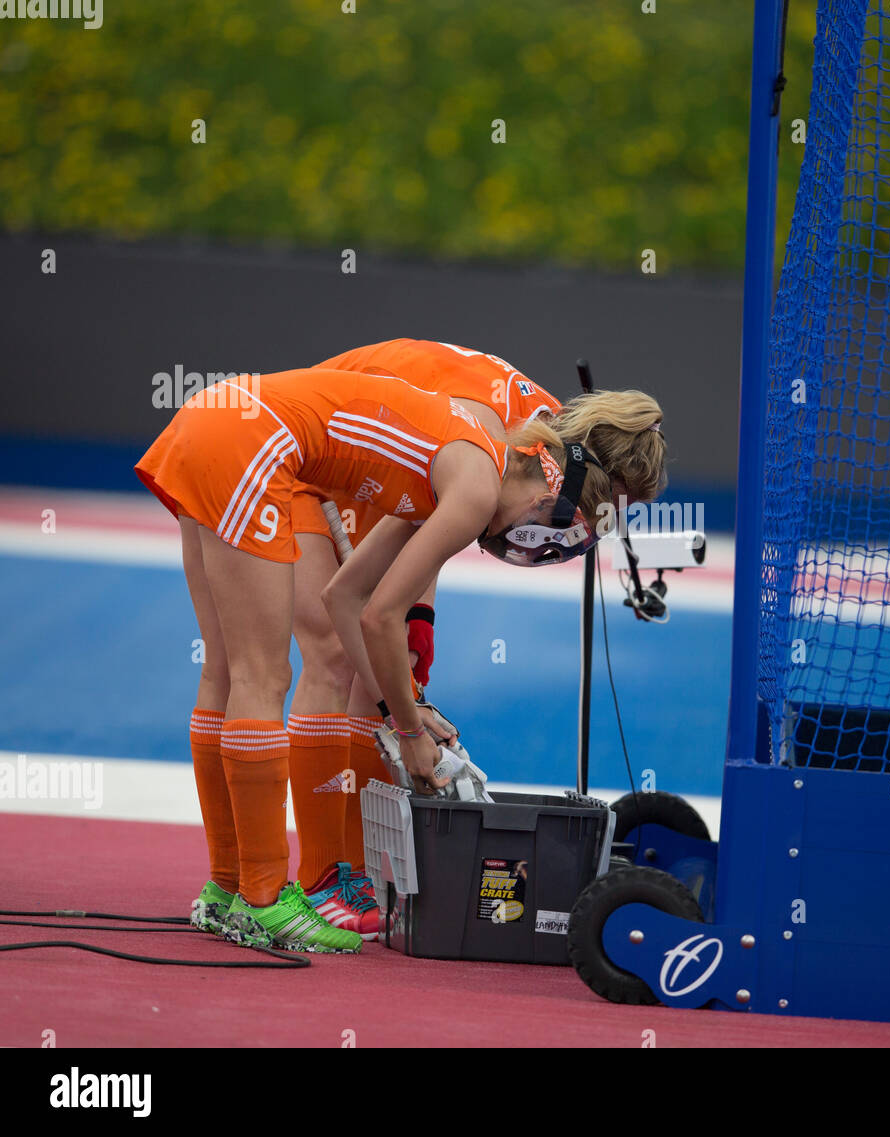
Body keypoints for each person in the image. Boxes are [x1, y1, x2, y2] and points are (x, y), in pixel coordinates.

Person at [135, 364, 665, 951]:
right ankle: (261, 903)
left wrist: (403, 706)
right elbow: (380, 617)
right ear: (548, 489)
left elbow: (345, 598)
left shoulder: (471, 459)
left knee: (230, 670)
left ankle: (227, 892)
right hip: (252, 442)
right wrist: (410, 732)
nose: (524, 543)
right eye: (542, 529)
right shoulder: (476, 490)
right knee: (264, 674)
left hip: (220, 420)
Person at [283, 340, 664, 939]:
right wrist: (406, 700)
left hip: (374, 448)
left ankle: (350, 868)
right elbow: (435, 500)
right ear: (597, 476)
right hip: (315, 438)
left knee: (389, 661)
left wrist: (418, 623)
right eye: (610, 509)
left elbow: (427, 505)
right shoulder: (511, 443)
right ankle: (320, 876)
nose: (600, 524)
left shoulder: (544, 442)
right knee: (332, 654)